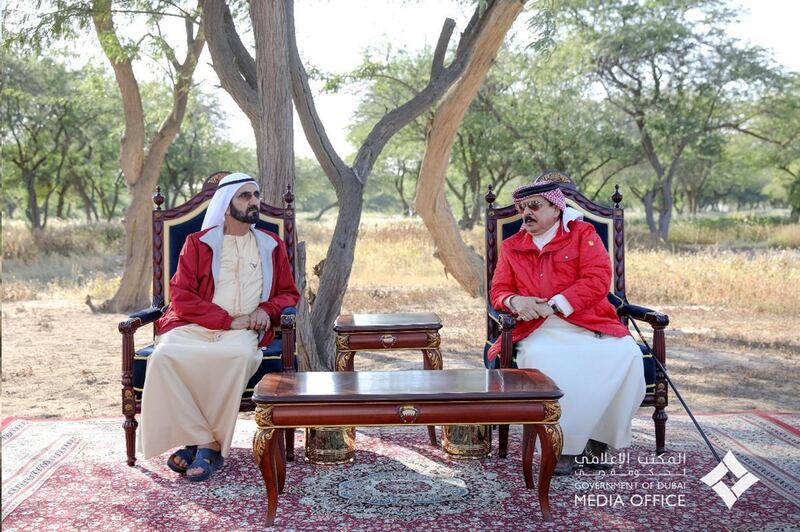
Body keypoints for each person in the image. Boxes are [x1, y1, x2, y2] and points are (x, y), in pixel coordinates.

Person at [139, 172, 300, 482]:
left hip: (243, 332)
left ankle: (196, 444)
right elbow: (182, 297)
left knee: (238, 357)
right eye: (246, 196)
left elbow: (288, 293)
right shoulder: (197, 244)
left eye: (256, 195)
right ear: (226, 205)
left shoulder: (271, 244)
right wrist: (226, 320)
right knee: (164, 358)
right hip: (194, 325)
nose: (255, 201)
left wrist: (267, 309)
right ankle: (209, 443)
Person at [488, 172, 645, 475]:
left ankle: (597, 442)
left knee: (627, 355)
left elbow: (597, 280)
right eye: (522, 208)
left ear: (556, 207)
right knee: (545, 361)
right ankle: (560, 446)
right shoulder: (512, 246)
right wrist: (514, 302)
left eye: (535, 206)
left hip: (588, 322)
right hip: (536, 329)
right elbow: (499, 291)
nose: (526, 213)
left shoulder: (582, 234)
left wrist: (553, 305)